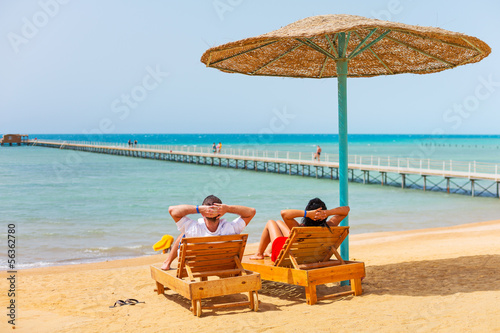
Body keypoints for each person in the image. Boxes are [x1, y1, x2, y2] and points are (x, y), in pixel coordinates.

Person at [161, 195, 256, 270]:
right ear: (220, 214)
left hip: (195, 266)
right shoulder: (231, 229)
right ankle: (167, 262)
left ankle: (167, 262)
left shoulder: (192, 229)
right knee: (185, 233)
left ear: (203, 214)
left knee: (184, 234)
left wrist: (199, 209)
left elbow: (172, 210)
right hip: (223, 264)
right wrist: (227, 208)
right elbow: (251, 212)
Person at [249, 198, 349, 260]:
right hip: (312, 256)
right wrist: (328, 212)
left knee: (271, 222)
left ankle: (259, 254)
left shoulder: (300, 229)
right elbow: (346, 210)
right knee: (279, 222)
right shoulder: (330, 225)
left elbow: (284, 213)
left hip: (290, 257)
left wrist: (308, 214)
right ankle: (268, 252)